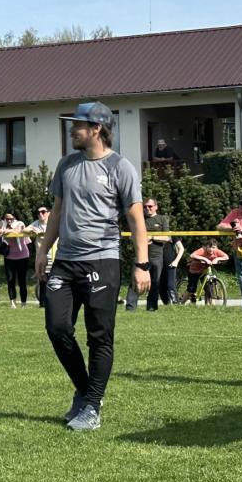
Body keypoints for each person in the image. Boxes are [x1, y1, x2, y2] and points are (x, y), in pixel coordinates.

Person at [35, 101, 147, 432]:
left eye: (77, 125)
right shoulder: (66, 165)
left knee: (99, 337)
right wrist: (44, 250)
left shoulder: (120, 167)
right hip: (66, 261)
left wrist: (141, 264)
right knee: (57, 328)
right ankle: (86, 392)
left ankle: (92, 407)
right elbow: (57, 212)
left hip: (102, 259)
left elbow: (136, 219)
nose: (72, 130)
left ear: (96, 128)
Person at [125, 198, 168, 312]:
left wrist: (152, 237)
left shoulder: (162, 219)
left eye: (150, 206)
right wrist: (142, 240)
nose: (147, 208)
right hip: (140, 256)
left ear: (156, 207)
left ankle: (152, 308)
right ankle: (130, 308)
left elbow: (167, 237)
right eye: (145, 206)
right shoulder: (139, 219)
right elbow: (131, 236)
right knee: (135, 281)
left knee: (155, 282)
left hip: (156, 256)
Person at [0, 212, 31, 308]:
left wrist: (3, 231)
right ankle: (12, 303)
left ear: (15, 218)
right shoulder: (2, 223)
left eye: (11, 219)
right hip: (9, 256)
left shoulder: (20, 223)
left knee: (22, 280)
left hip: (22, 255)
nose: (9, 220)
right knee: (10, 280)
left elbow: (16, 231)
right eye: (7, 218)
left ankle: (23, 303)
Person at [215, 194, 242, 311]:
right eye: (241, 203)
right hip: (239, 251)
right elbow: (220, 226)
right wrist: (233, 228)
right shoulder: (235, 213)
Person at [183, 239, 228, 303]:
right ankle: (181, 303)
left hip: (205, 270)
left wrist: (217, 259)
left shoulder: (217, 251)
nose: (211, 249)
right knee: (191, 289)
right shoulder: (202, 250)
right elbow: (192, 255)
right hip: (195, 270)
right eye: (209, 247)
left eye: (213, 247)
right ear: (206, 246)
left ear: (216, 247)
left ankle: (212, 306)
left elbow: (226, 257)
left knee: (209, 289)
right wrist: (205, 259)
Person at [27, 206, 50, 307]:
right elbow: (25, 230)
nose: (41, 214)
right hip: (40, 256)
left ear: (48, 213)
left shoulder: (52, 223)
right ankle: (42, 303)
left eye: (43, 212)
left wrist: (41, 233)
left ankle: (53, 302)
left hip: (54, 255)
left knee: (53, 280)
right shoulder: (36, 223)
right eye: (39, 212)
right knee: (42, 280)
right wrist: (32, 230)